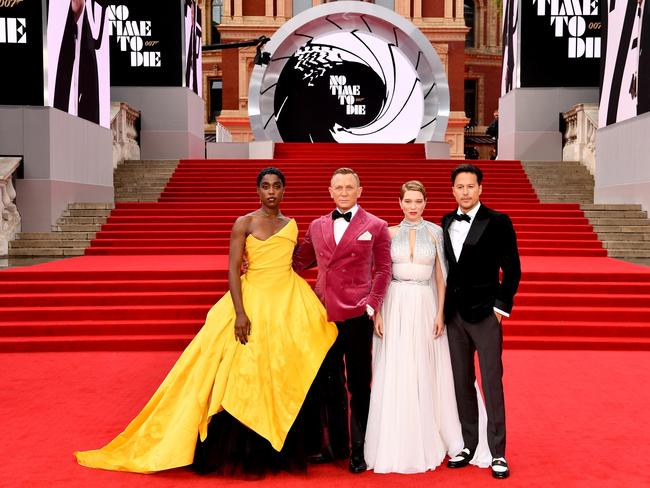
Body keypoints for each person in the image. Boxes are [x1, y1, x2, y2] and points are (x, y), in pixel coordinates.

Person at [74, 167, 338, 476]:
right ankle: (243, 447)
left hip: (288, 302)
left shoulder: (291, 225)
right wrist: (240, 313)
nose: (271, 191)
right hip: (252, 301)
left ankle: (284, 442)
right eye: (265, 186)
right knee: (242, 371)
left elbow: (295, 260)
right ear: (257, 190)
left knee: (283, 369)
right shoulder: (244, 223)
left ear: (284, 190)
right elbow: (232, 269)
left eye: (277, 186)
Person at [364, 180, 491, 474]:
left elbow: (441, 277)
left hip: (424, 303)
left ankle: (433, 427)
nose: (412, 207)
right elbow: (380, 274)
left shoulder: (436, 232)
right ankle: (396, 434)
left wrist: (440, 313)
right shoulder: (387, 232)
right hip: (394, 303)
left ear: (425, 203)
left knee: (425, 366)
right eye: (407, 201)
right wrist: (378, 312)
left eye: (418, 201)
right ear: (399, 203)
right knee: (396, 367)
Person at [293, 167, 392, 473]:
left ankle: (359, 450)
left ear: (360, 190)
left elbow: (383, 268)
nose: (345, 191)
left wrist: (371, 306)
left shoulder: (376, 225)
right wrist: (260, 260)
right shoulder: (317, 225)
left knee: (360, 384)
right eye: (339, 187)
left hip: (357, 315)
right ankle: (336, 446)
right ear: (330, 191)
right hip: (324, 316)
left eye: (350, 187)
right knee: (328, 383)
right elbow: (298, 262)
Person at [442, 164, 521, 480]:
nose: (464, 192)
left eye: (470, 186)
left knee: (491, 382)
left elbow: (512, 269)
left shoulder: (498, 222)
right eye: (459, 187)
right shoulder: (446, 221)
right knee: (461, 382)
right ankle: (468, 444)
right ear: (453, 190)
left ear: (480, 189)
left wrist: (500, 308)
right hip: (454, 316)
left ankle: (499, 452)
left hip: (485, 314)